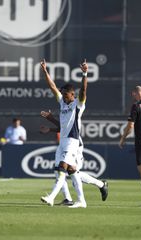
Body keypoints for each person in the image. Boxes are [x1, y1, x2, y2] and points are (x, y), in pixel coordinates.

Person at [40, 58, 88, 208]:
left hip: (72, 141)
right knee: (72, 171)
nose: (64, 98)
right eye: (63, 96)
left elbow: (84, 90)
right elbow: (53, 86)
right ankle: (81, 201)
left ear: (73, 94)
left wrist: (85, 74)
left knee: (62, 168)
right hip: (63, 141)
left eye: (66, 96)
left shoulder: (78, 104)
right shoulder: (62, 102)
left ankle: (51, 197)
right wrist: (45, 72)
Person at [40, 110, 108, 204]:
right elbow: (63, 128)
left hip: (74, 147)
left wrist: (51, 119)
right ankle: (67, 199)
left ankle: (100, 184)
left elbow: (67, 128)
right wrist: (50, 128)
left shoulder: (74, 111)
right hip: (64, 145)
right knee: (59, 171)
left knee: (74, 174)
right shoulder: (66, 110)